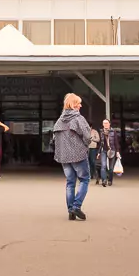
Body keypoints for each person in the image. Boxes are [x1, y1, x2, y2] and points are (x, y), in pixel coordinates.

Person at [53, 93, 91, 221]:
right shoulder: (78, 118)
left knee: (70, 183)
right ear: (73, 104)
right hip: (78, 155)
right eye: (78, 103)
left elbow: (54, 139)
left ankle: (70, 211)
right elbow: (87, 136)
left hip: (64, 157)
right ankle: (76, 206)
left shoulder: (59, 121)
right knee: (85, 180)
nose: (80, 105)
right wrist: (85, 146)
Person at [99, 118, 120, 187]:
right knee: (103, 166)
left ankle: (110, 180)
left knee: (111, 168)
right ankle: (104, 180)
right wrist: (98, 152)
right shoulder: (101, 132)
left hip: (112, 150)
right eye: (104, 123)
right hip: (103, 151)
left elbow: (116, 142)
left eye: (106, 123)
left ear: (109, 124)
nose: (105, 124)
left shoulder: (113, 131)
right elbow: (100, 143)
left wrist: (117, 152)